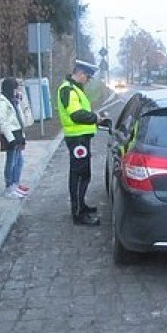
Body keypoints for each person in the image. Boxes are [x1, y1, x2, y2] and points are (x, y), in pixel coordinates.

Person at [58, 60, 107, 226]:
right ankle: (78, 213)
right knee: (79, 175)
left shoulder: (74, 89)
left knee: (83, 173)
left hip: (81, 136)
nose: (88, 80)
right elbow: (76, 114)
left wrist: (94, 118)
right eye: (87, 77)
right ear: (80, 73)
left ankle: (81, 205)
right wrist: (96, 118)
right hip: (77, 137)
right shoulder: (68, 89)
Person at [0, 77, 29, 199]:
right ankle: (9, 187)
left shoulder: (13, 101)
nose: (17, 91)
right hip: (10, 135)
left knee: (19, 160)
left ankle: (16, 184)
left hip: (18, 132)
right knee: (11, 161)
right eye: (15, 88)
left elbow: (19, 119)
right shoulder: (2, 103)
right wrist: (11, 139)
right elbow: (3, 123)